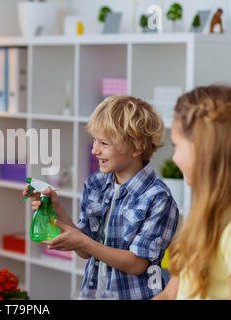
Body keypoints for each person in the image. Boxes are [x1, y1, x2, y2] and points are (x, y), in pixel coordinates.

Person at [24, 95, 179, 300]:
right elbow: (85, 251)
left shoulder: (158, 198)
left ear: (137, 147)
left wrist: (84, 242)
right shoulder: (95, 185)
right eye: (94, 140)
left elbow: (137, 264)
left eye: (104, 143)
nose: (95, 150)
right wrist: (56, 209)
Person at [153, 85, 231, 300]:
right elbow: (170, 295)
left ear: (203, 149)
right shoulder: (201, 217)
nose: (174, 158)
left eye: (176, 146)